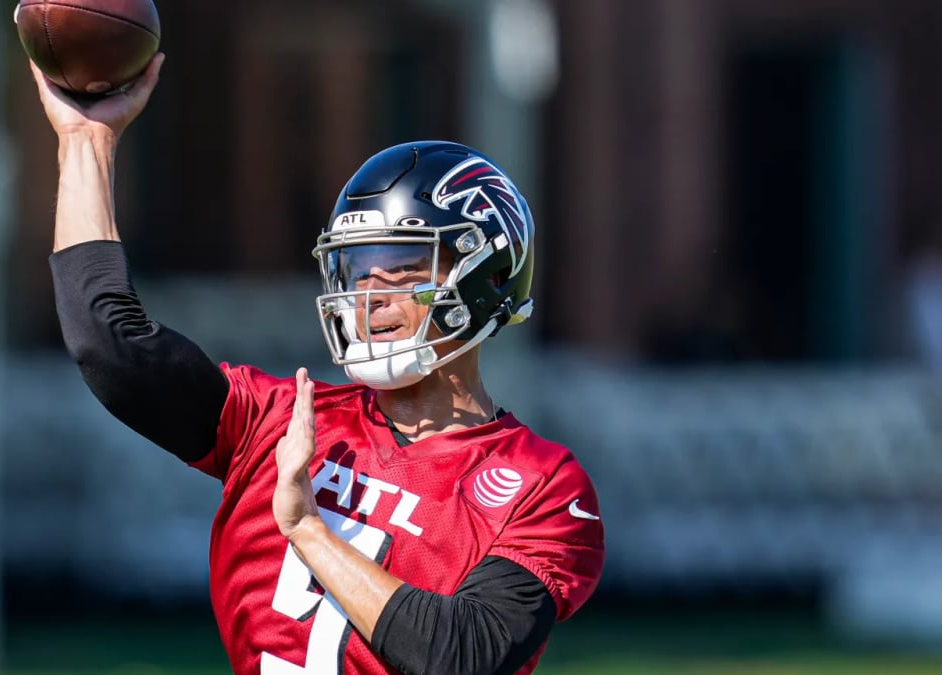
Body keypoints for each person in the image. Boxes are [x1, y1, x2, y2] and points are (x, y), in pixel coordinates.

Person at [31, 53, 604, 674]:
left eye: (404, 264)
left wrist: (307, 529)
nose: (371, 294)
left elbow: (462, 658)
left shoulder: (543, 485)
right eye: (358, 269)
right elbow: (110, 345)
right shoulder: (280, 421)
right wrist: (86, 141)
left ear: (484, 277)